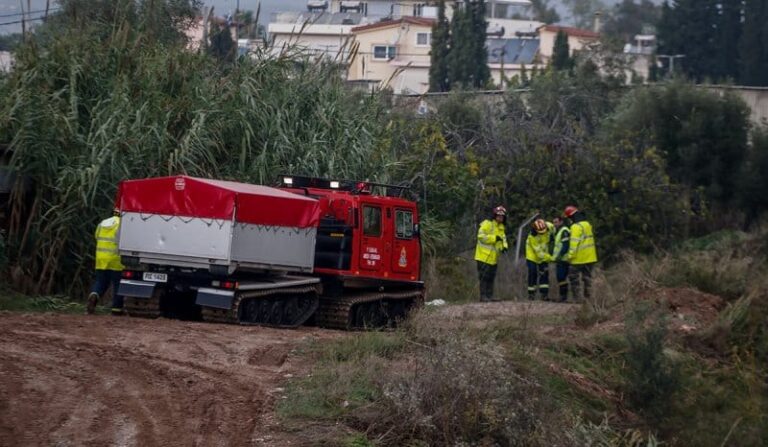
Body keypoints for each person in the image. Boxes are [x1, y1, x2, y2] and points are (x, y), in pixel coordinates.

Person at [87, 208, 125, 315]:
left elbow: (96, 236)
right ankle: (116, 310)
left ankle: (94, 294)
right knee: (118, 285)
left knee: (101, 281)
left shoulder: (103, 223)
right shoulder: (122, 225)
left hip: (101, 259)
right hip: (116, 260)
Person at [563, 205, 598, 301]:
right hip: (590, 258)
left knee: (574, 278)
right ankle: (588, 298)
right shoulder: (587, 224)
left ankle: (577, 299)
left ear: (571, 217)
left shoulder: (575, 227)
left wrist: (569, 257)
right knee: (587, 278)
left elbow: (574, 244)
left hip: (578, 259)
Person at [474, 205, 509, 302]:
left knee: (491, 277)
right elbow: (480, 236)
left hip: (493, 258)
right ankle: (483, 296)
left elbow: (503, 239)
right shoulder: (487, 223)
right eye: (498, 216)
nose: (500, 218)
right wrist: (493, 238)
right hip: (483, 256)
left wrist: (504, 247)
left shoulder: (501, 227)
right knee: (484, 277)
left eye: (502, 216)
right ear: (494, 215)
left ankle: (490, 296)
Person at [525, 218, 554, 300]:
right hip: (532, 255)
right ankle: (531, 294)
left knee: (544, 273)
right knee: (532, 272)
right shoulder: (532, 237)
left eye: (544, 231)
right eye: (540, 232)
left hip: (545, 253)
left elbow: (554, 234)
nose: (543, 233)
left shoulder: (550, 227)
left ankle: (544, 294)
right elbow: (538, 253)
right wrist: (550, 258)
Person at [551, 216, 571, 302]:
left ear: (561, 222)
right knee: (560, 278)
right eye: (554, 222)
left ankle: (563, 296)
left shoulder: (564, 231)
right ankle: (562, 296)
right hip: (559, 259)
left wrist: (560, 255)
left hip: (563, 259)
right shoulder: (558, 231)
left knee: (561, 277)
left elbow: (565, 245)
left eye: (556, 222)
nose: (554, 224)